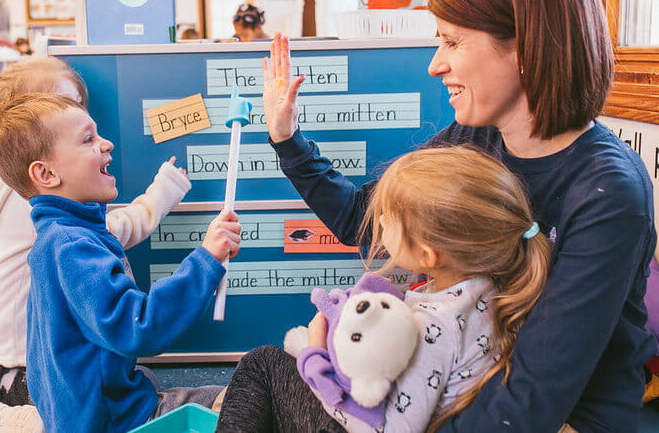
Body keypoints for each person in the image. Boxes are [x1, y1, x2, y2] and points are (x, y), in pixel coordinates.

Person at [226, 0, 657, 432]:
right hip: (457, 390)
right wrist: (287, 138)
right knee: (265, 365)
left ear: (526, 47)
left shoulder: (609, 190)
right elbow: (360, 220)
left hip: (553, 420)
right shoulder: (476, 134)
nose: (435, 64)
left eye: (452, 41)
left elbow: (529, 407)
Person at [0, 58, 194, 424]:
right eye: (63, 105)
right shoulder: (46, 213)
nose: (74, 112)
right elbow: (113, 235)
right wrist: (161, 196)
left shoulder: (6, 181)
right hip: (22, 336)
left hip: (6, 321)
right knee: (61, 397)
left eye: (79, 105)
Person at [218, 146, 552, 432]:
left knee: (262, 362)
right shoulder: (489, 284)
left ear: (427, 254)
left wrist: (315, 358)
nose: (378, 224)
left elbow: (386, 427)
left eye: (387, 218)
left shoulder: (432, 328)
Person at [0, 91, 241, 432]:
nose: (107, 144)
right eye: (88, 139)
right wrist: (206, 260)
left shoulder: (63, 235)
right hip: (117, 421)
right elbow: (138, 327)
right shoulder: (72, 245)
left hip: (96, 412)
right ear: (46, 174)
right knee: (246, 397)